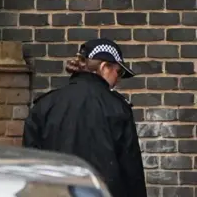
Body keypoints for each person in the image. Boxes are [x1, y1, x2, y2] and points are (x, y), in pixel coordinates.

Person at [22, 38, 147, 197]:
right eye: (119, 72)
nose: (119, 79)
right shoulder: (117, 108)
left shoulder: (44, 105)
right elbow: (131, 170)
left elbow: (31, 164)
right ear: (104, 67)